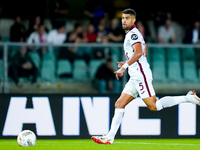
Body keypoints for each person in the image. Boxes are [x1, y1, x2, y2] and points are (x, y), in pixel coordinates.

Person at [91, 8, 200, 145]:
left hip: (140, 76)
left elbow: (139, 52)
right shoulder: (134, 34)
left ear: (133, 20)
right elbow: (145, 52)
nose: (124, 21)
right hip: (135, 76)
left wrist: (124, 67)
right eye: (123, 18)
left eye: (127, 18)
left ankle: (188, 98)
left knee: (154, 106)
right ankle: (110, 137)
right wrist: (128, 62)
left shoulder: (133, 34)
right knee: (119, 103)